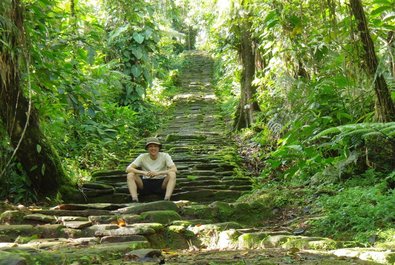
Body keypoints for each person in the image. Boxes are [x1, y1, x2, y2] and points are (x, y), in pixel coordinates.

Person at [125, 137, 177, 202]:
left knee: (172, 174)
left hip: (161, 183)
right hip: (145, 183)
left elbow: (174, 169)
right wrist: (143, 172)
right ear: (147, 148)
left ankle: (167, 198)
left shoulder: (165, 156)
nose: (153, 148)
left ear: (159, 148)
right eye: (150, 146)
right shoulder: (142, 156)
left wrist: (159, 173)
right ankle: (134, 199)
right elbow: (128, 169)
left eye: (155, 146)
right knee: (130, 175)